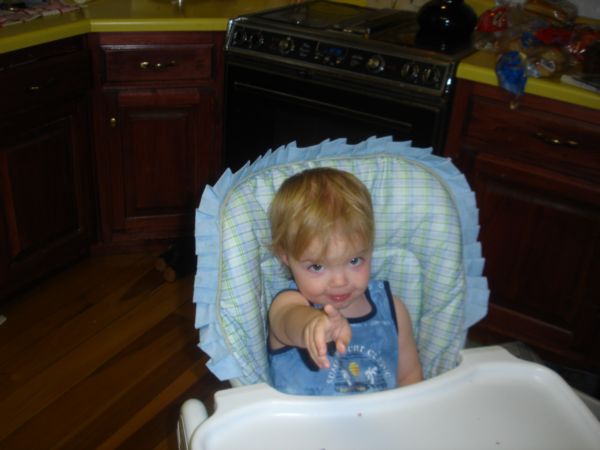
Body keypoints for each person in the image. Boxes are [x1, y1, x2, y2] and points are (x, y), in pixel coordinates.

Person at [267, 167, 423, 395]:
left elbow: (410, 376)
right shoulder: (288, 304)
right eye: (317, 266)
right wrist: (311, 325)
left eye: (354, 260)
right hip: (304, 419)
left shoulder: (393, 310)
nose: (340, 282)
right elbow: (288, 321)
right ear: (286, 257)